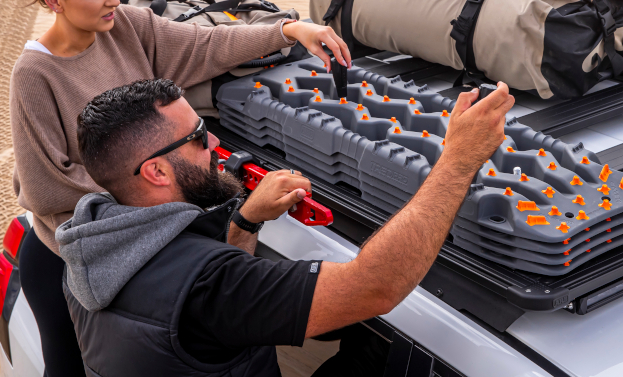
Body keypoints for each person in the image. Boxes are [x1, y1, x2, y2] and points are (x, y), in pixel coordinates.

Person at [9, 0, 352, 377]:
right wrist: (153, 188)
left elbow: (205, 46)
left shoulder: (126, 27)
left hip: (142, 240)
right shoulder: (34, 74)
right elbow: (47, 189)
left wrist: (289, 30)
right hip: (68, 258)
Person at [57, 77, 513, 376]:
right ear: (156, 171)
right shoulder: (211, 287)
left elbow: (204, 307)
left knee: (366, 344)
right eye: (197, 137)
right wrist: (458, 159)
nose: (214, 141)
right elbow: (375, 288)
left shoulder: (90, 245)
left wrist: (245, 220)